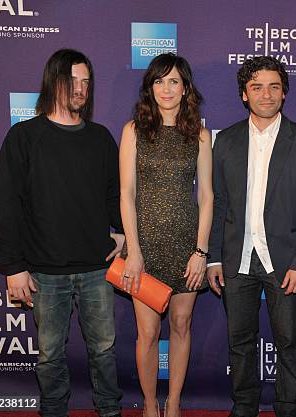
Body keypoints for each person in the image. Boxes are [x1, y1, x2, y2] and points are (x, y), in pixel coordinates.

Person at [0, 49, 123, 417]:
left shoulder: (100, 138)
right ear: (53, 82)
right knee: (50, 356)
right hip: (45, 272)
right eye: (72, 81)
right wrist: (12, 267)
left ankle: (110, 411)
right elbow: (5, 205)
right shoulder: (24, 137)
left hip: (98, 269)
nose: (80, 89)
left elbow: (115, 193)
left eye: (86, 82)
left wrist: (123, 231)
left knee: (104, 351)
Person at [206, 56, 296, 417]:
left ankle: (289, 410)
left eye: (274, 86)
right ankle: (244, 407)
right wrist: (214, 257)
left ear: (284, 92)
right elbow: (218, 204)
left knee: (289, 342)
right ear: (244, 94)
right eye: (257, 87)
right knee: (239, 343)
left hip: (287, 262)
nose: (267, 94)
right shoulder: (225, 141)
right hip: (236, 260)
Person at [119, 53, 212, 417]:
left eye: (174, 81)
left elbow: (207, 196)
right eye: (159, 81)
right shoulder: (133, 130)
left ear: (185, 86)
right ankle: (150, 404)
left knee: (181, 324)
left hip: (186, 244)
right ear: (150, 87)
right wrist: (134, 251)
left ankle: (173, 403)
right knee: (146, 331)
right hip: (145, 245)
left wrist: (201, 251)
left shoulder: (199, 134)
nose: (166, 88)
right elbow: (126, 194)